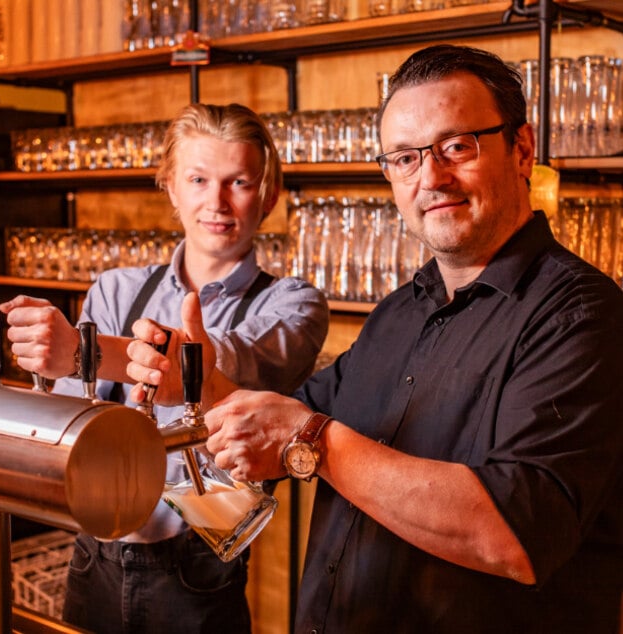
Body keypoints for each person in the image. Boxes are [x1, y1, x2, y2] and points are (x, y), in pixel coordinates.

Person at [127, 45, 623, 632]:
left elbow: (515, 534)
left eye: (456, 147)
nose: (431, 178)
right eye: (405, 158)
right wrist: (206, 384)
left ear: (521, 149)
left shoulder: (581, 315)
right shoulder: (399, 312)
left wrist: (311, 439)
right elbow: (294, 419)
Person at [0, 102, 329, 633]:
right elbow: (63, 423)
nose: (216, 202)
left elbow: (222, 359)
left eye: (238, 182)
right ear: (171, 187)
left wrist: (83, 352)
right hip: (93, 557)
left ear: (267, 195)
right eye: (198, 179)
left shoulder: (293, 305)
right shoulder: (116, 289)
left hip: (199, 574)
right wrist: (47, 366)